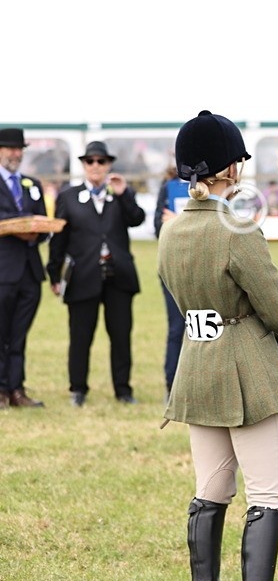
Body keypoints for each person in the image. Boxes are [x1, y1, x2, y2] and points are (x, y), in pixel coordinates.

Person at [160, 110, 278, 581]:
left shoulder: (171, 230)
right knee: (267, 494)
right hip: (246, 373)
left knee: (210, 490)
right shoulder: (238, 229)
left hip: (196, 366)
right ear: (228, 169)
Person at [46, 141, 147, 406]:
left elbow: (137, 219)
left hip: (118, 276)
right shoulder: (68, 196)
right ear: (83, 165)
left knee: (121, 336)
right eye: (90, 161)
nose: (95, 166)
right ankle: (78, 389)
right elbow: (59, 239)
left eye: (101, 161)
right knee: (80, 336)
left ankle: (123, 390)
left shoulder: (120, 194)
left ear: (109, 165)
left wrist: (124, 193)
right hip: (83, 275)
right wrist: (55, 274)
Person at [0, 127, 49, 409]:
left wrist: (38, 231)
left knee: (19, 335)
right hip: (4, 271)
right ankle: (2, 391)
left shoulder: (32, 183)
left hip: (30, 272)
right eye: (10, 148)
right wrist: (19, 225)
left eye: (19, 149)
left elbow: (41, 221)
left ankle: (17, 389)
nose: (15, 154)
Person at [154, 163, 185, 399]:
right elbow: (158, 226)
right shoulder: (168, 188)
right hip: (174, 267)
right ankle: (172, 385)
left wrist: (177, 221)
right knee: (177, 328)